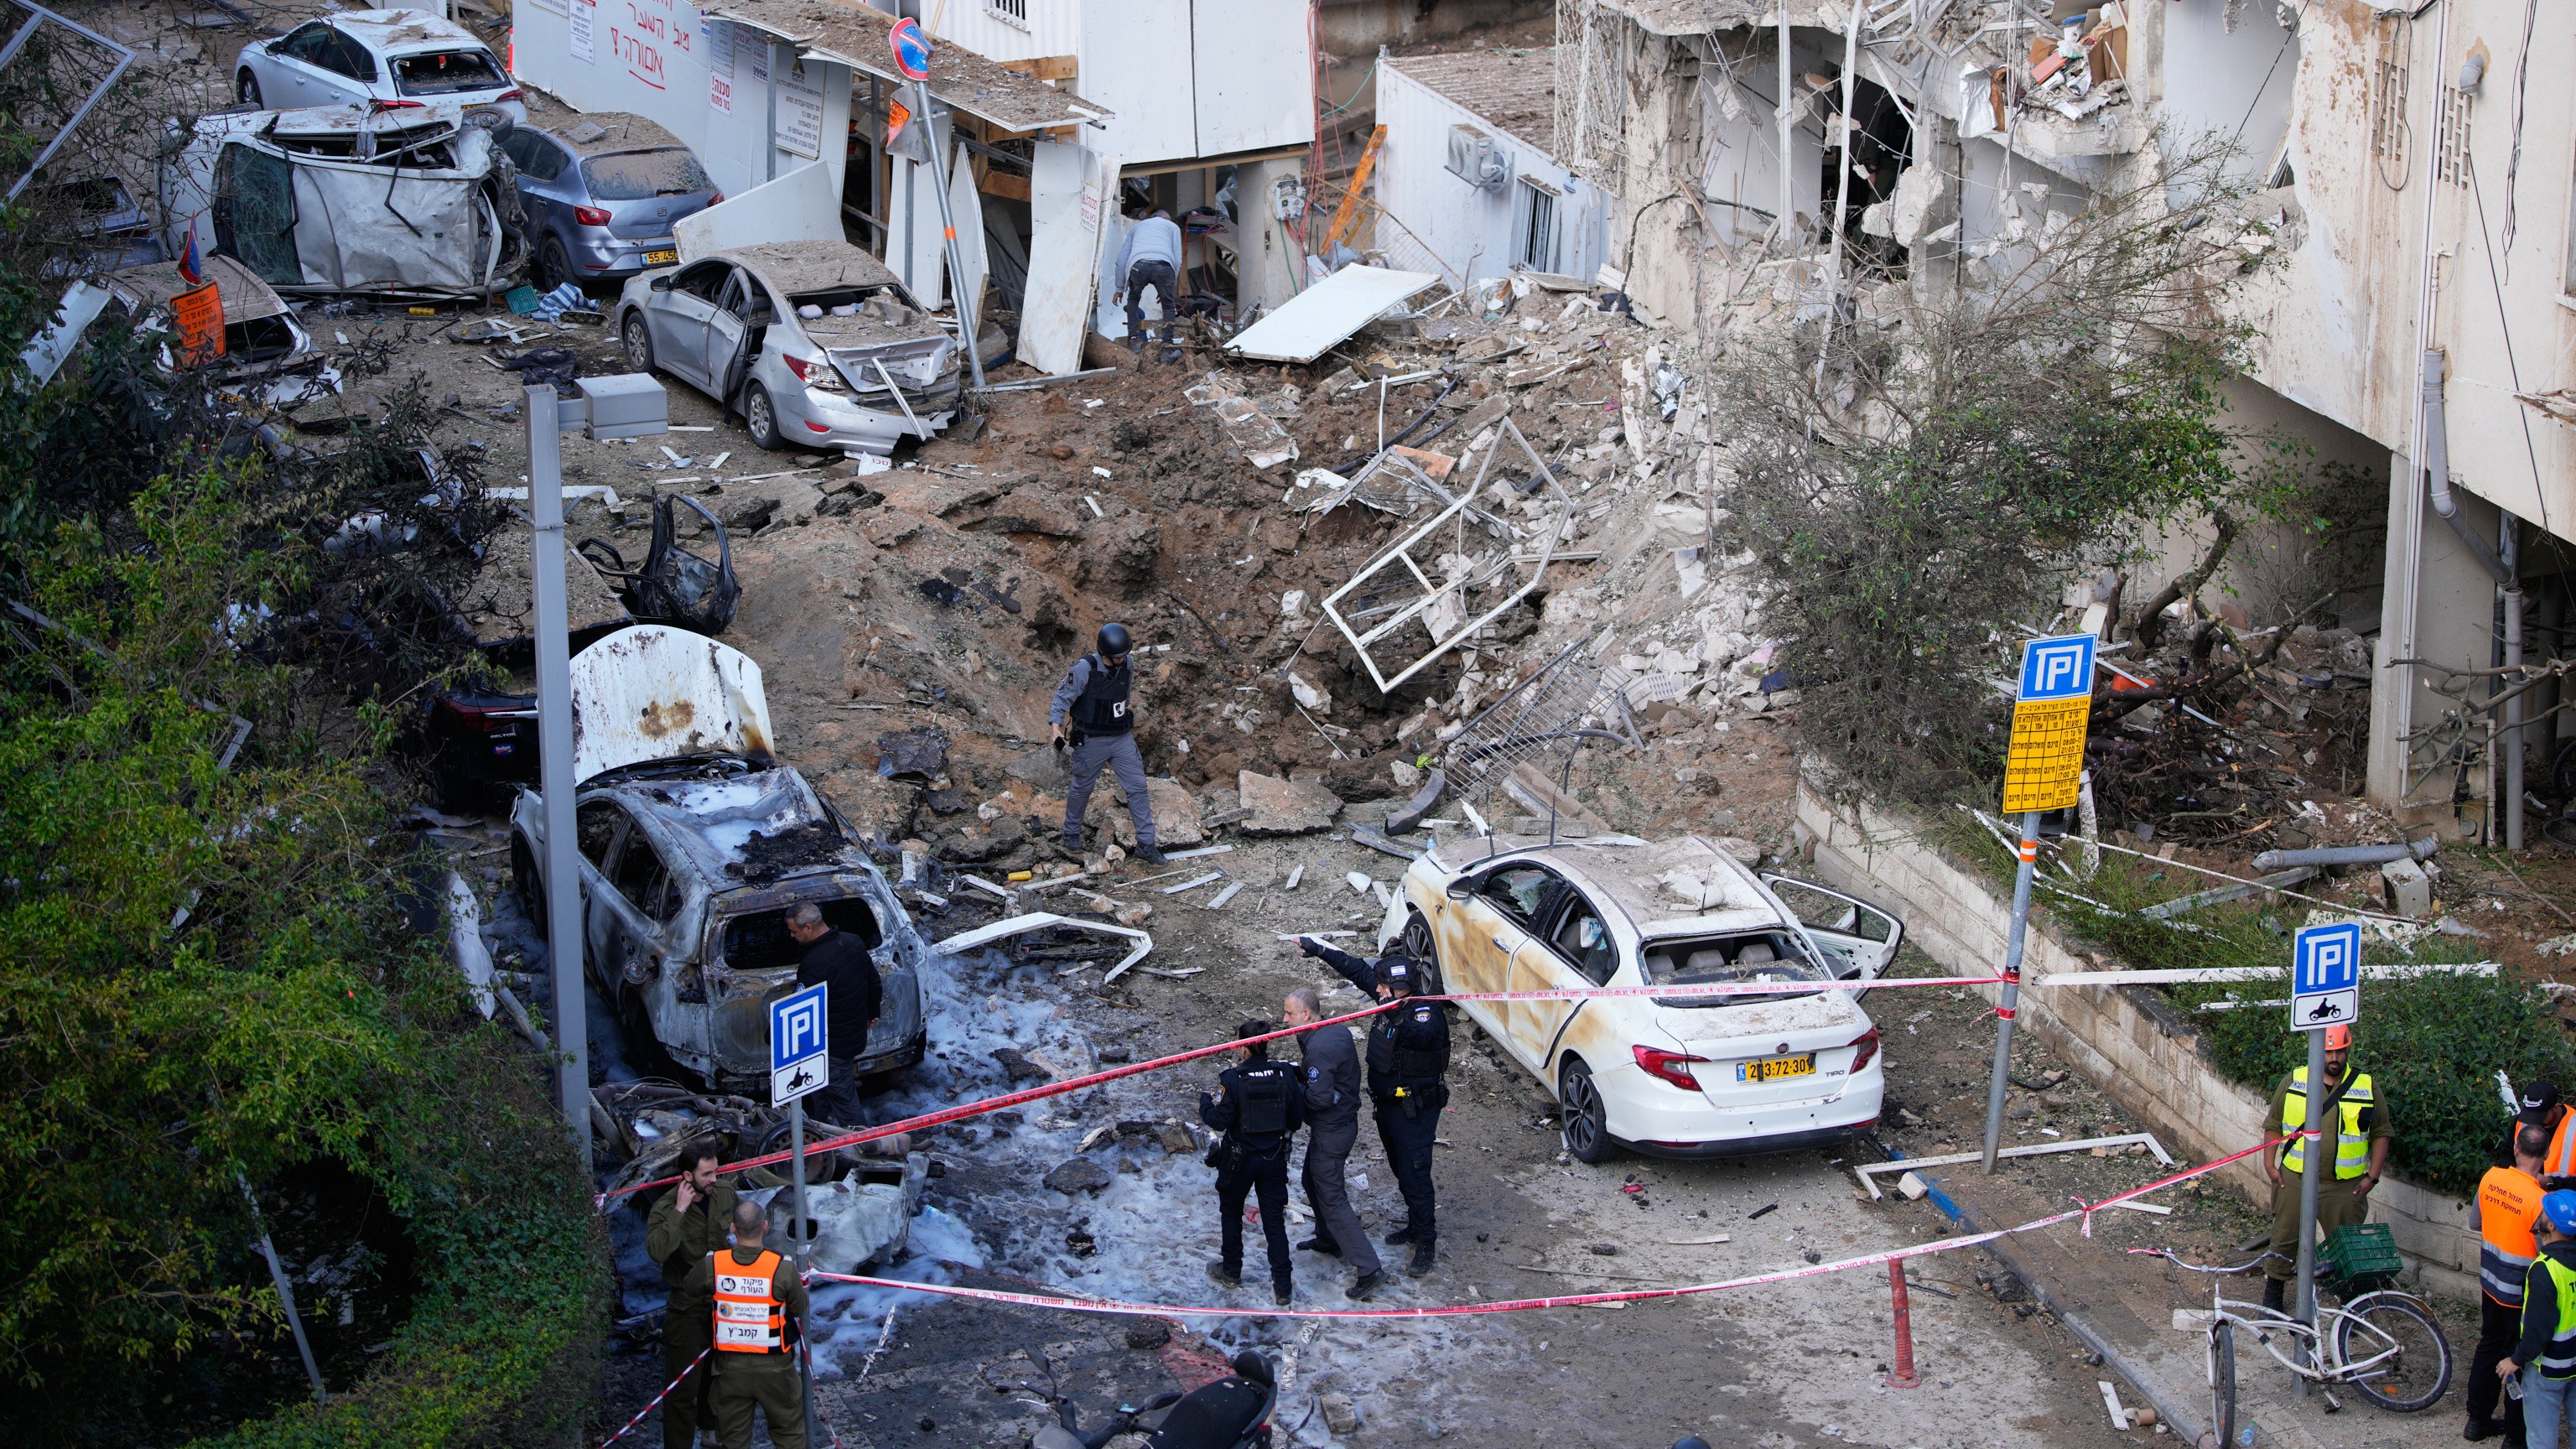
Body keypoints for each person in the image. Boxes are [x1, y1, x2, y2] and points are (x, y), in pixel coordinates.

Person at [1298, 936, 1449, 1276]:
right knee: (1400, 1169)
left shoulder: (1425, 1012)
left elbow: (1421, 1034)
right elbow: (1356, 970)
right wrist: (1318, 949)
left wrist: (1394, 1011)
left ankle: (1426, 1239)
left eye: (1382, 986)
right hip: (1389, 1106)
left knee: (1415, 1173)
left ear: (1400, 988)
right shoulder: (1389, 997)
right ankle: (1415, 1224)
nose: (1376, 990)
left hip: (1415, 1110)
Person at [2259, 1023, 2391, 1311]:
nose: (2334, 1058)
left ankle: (2352, 1305)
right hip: (2295, 1180)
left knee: (2347, 1249)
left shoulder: (2366, 1085)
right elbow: (2274, 1123)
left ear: (2348, 1050)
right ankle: (2273, 1296)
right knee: (2284, 1238)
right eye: (2329, 1051)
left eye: (2339, 1051)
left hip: (2345, 1187)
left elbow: (2382, 1132)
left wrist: (2373, 1177)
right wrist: (2269, 1164)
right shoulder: (2295, 1080)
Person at [1283, 984, 1384, 1300]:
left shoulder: (1319, 1048)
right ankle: (1328, 1238)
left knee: (1332, 1198)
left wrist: (1292, 1089)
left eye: (1288, 1013)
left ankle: (1369, 1268)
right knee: (1310, 1180)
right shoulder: (1334, 1030)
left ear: (1306, 1014)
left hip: (1332, 1129)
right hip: (1339, 1122)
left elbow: (1319, 1099)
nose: (1284, 1019)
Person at [683, 1199, 810, 1449]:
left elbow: (690, 1286)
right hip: (776, 1369)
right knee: (789, 1436)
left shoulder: (714, 1264)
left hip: (730, 1369)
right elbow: (799, 1308)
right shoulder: (782, 1268)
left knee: (734, 1441)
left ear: (733, 1228)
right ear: (765, 1226)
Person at [1199, 1020, 1306, 1306]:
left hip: (1239, 1160)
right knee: (1274, 1222)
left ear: (1244, 1047)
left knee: (1231, 1212)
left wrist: (1205, 1103)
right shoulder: (1284, 1073)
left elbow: (1219, 1120)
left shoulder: (1233, 1078)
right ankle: (1283, 1287)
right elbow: (1296, 1119)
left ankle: (1231, 1271)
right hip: (1274, 1158)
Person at [646, 1141, 739, 1449]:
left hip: (725, 1303)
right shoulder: (666, 1208)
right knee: (682, 1389)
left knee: (720, 1376)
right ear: (687, 1176)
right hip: (688, 1309)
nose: (714, 1178)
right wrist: (680, 1211)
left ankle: (710, 1433)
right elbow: (657, 1252)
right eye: (706, 1174)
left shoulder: (724, 1192)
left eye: (716, 1171)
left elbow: (740, 1232)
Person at [1049, 623, 1164, 864]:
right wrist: (1055, 728)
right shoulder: (1084, 669)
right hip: (1091, 739)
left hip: (1121, 737)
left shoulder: (1128, 664)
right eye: (1117, 656)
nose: (1122, 660)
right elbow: (1062, 697)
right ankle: (1071, 832)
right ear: (1105, 653)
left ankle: (1146, 844)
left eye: (1124, 655)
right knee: (1082, 787)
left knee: (1138, 786)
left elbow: (1124, 694)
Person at [2473, 1125, 2553, 1443]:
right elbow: (2548, 1253)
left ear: (2516, 1149)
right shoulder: (2540, 1200)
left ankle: (2477, 1421)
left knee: (2488, 1346)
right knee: (2517, 1360)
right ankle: (2515, 1437)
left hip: (2490, 1282)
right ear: (2546, 1156)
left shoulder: (2491, 1177)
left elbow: (2475, 1222)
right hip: (2520, 1293)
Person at [787, 903, 879, 1127]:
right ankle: (820, 1128)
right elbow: (873, 981)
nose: (791, 936)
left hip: (833, 1045)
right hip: (853, 1034)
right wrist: (872, 1012)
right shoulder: (853, 942)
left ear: (809, 928)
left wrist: (775, 1036)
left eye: (794, 931)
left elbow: (798, 1008)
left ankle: (863, 1140)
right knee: (817, 1084)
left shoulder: (814, 965)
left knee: (842, 1095)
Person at [2500, 1191, 2576, 1447]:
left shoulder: (2545, 1270)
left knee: (2541, 1438)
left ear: (2551, 1225)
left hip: (2548, 1369)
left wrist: (2515, 1360)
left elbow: (2539, 1330)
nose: (2540, 1214)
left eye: (2545, 1212)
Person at [1113, 208, 1183, 351]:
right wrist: (1168, 285)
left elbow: (1122, 259)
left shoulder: (1137, 227)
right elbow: (1177, 260)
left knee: (1133, 299)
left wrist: (1119, 288)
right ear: (1166, 219)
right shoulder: (1173, 227)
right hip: (1164, 268)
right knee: (1168, 305)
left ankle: (1133, 340)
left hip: (1139, 266)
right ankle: (1167, 346)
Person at [2510, 1081, 2563, 1171]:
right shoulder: (2522, 1120)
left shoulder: (2573, 1125)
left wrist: (2546, 1180)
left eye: (2541, 1116)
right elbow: (2507, 1154)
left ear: (2556, 1107)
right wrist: (2521, 1174)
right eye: (2530, 1115)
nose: (2534, 1121)